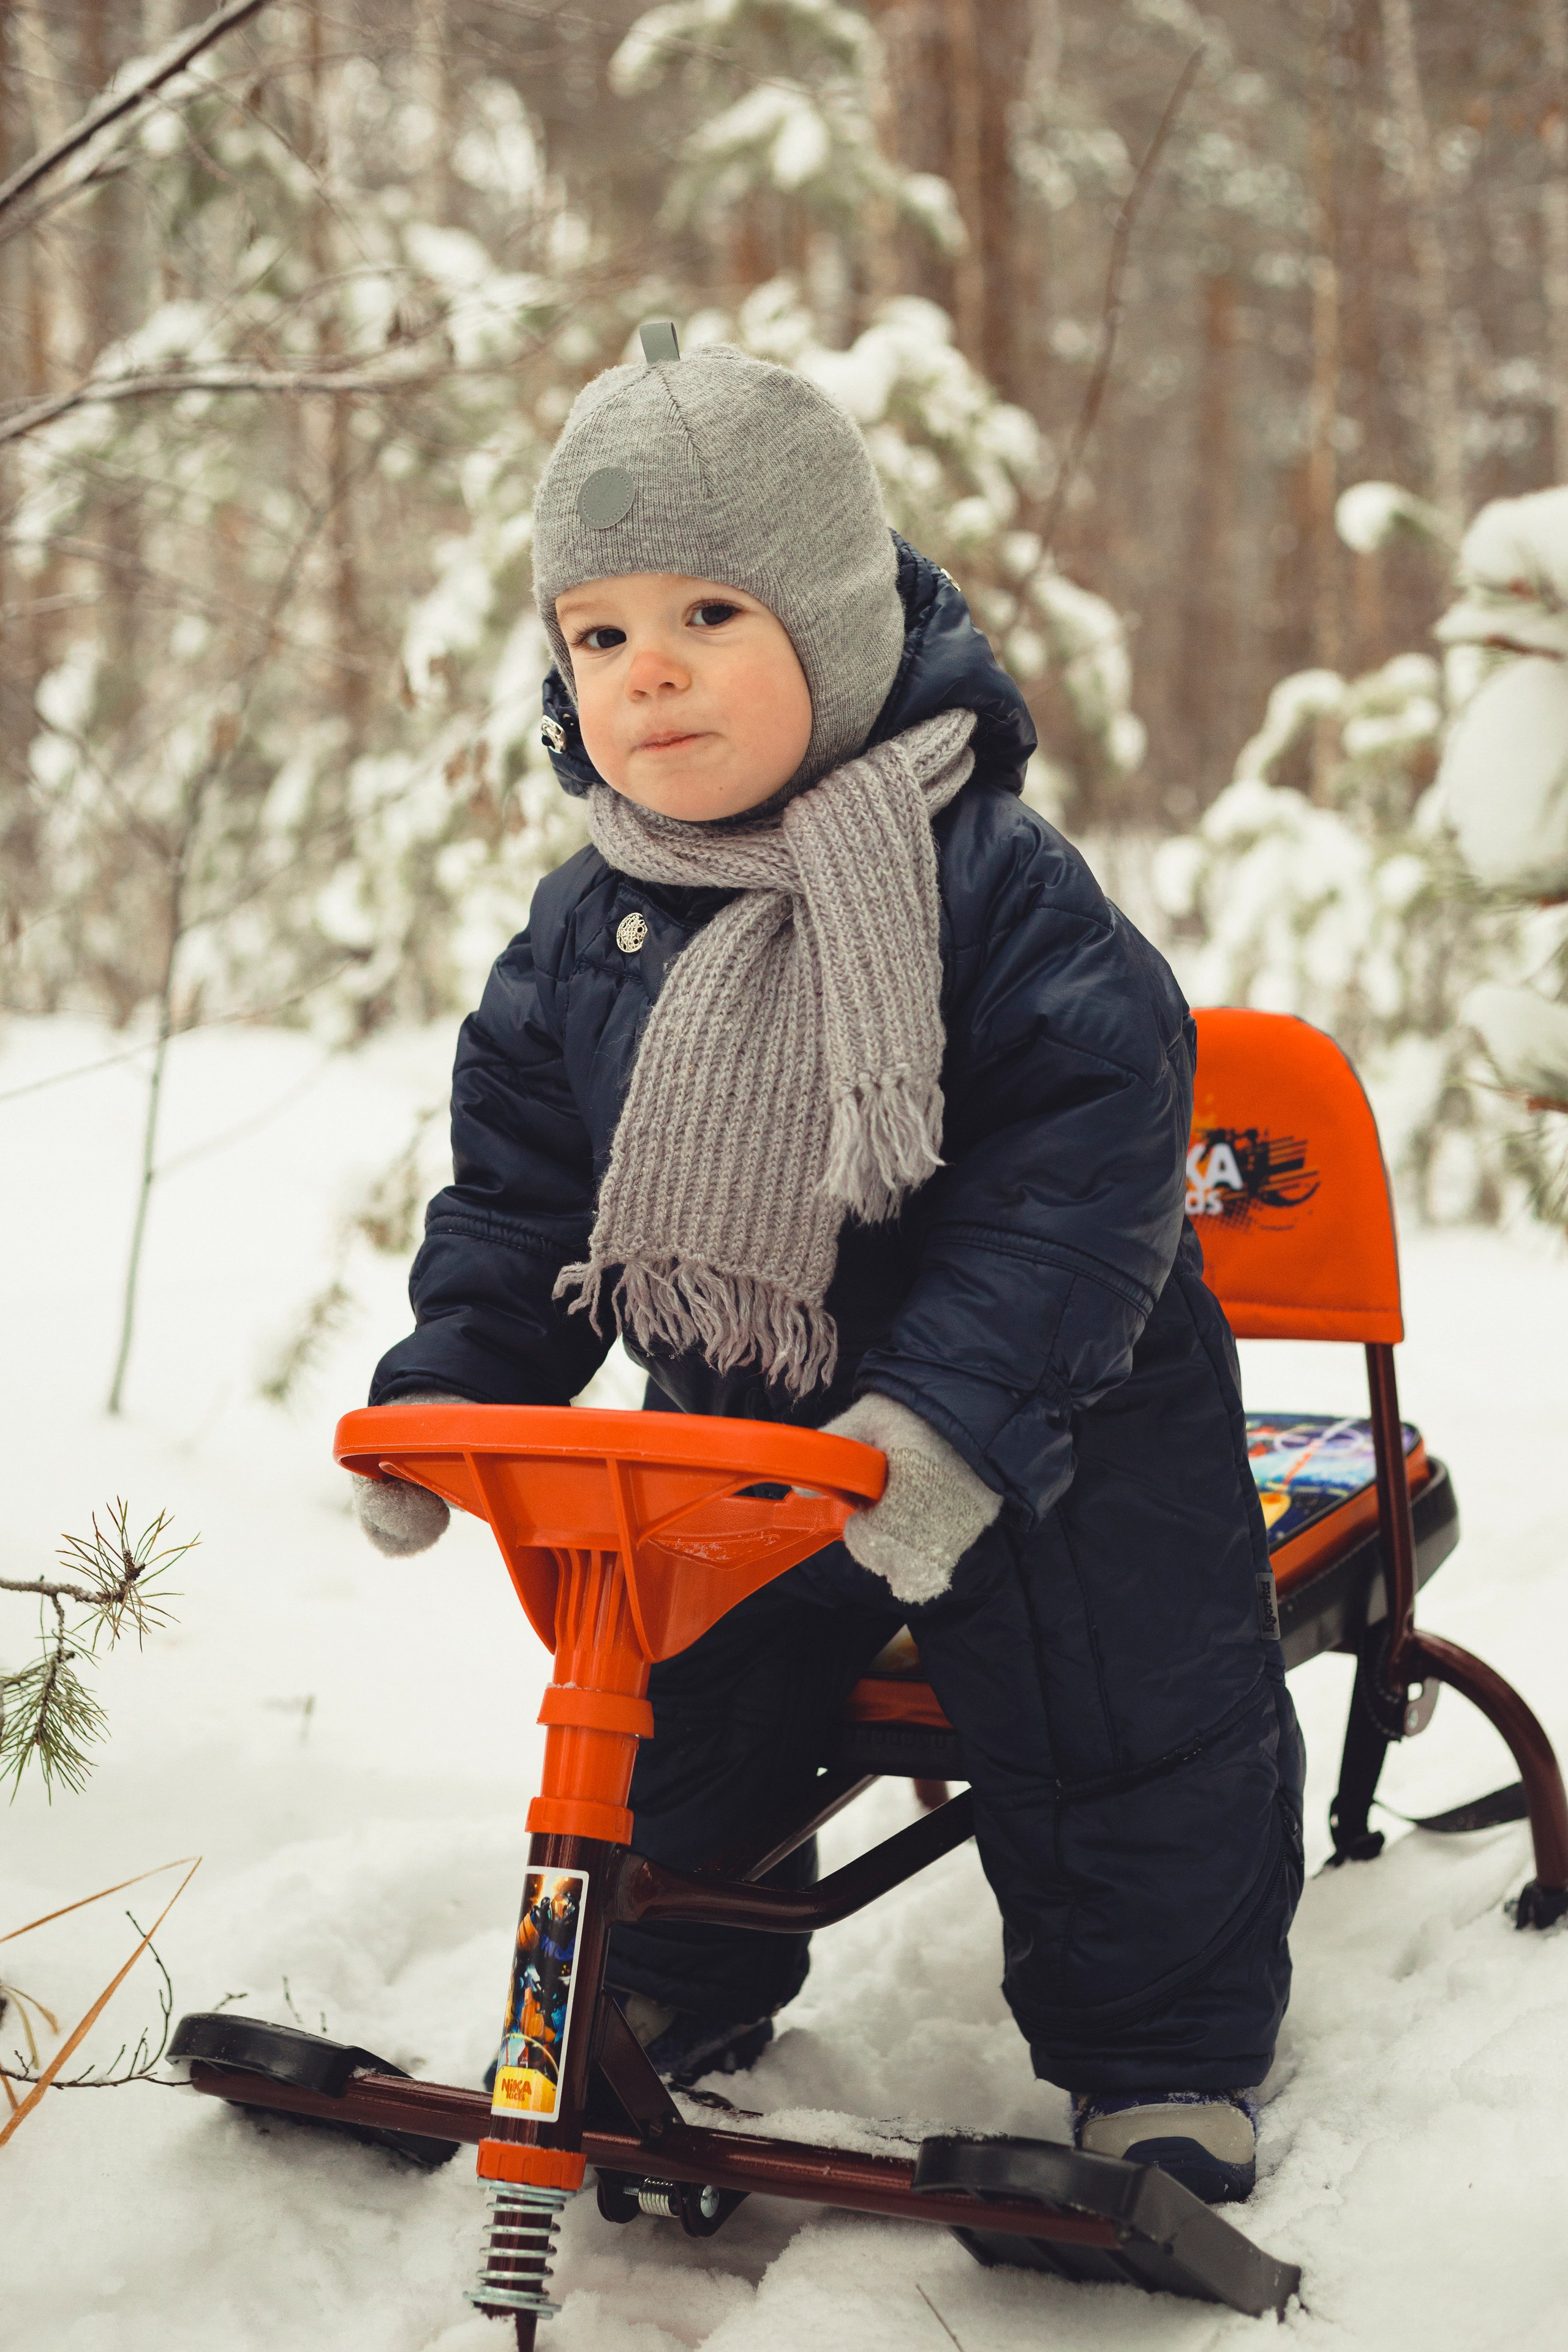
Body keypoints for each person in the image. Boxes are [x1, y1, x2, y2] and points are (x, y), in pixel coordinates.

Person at [355, 330, 1305, 2205]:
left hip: (1053, 1429)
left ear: (842, 627)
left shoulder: (992, 888)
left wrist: (943, 1427)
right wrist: (459, 1381)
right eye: (602, 633)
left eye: (710, 609)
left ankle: (1161, 2060)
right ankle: (674, 1991)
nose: (651, 672)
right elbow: (530, 1187)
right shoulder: (590, 919)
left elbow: (1075, 1184)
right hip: (749, 1421)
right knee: (679, 1704)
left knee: (1116, 1717)